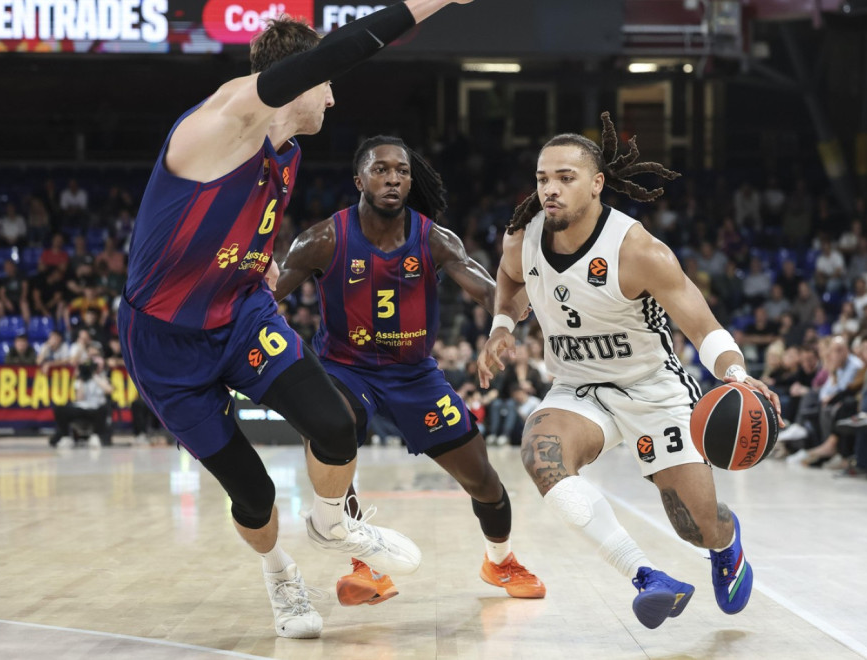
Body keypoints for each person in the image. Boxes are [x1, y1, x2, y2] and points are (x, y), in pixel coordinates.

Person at [115, 0, 473, 640]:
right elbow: (342, 48)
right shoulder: (224, 120)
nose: (331, 98)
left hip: (240, 314)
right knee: (254, 496)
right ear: (302, 78)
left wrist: (264, 260)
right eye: (324, 83)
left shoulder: (286, 151)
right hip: (166, 342)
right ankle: (280, 573)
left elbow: (237, 223)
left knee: (336, 423)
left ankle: (331, 524)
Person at [476, 113, 782, 630]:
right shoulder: (521, 239)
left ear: (597, 184)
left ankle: (726, 544)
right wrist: (502, 326)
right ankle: (647, 577)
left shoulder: (638, 251)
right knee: (540, 453)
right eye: (543, 178)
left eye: (565, 178)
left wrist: (735, 374)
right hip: (577, 387)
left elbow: (702, 326)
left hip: (651, 390)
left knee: (696, 527)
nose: (550, 189)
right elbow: (509, 278)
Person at [274, 135, 544, 606]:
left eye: (401, 170)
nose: (393, 178)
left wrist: (522, 293)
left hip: (415, 375)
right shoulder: (323, 239)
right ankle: (364, 563)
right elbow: (263, 299)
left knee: (483, 480)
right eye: (380, 170)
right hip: (346, 369)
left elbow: (494, 294)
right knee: (332, 425)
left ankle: (499, 561)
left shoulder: (435, 239)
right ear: (359, 180)